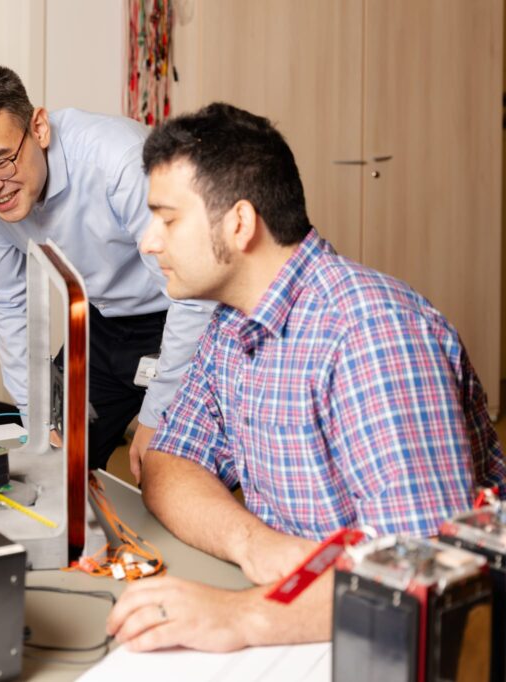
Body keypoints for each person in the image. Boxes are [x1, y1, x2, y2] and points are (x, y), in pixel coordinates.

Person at [105, 102, 506, 651]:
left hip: (430, 641)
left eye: (168, 219)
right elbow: (169, 461)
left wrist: (240, 618)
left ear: (240, 223)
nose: (148, 242)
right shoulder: (232, 321)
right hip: (320, 612)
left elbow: (425, 571)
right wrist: (254, 543)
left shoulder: (372, 334)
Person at [0, 65, 214, 471]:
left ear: (39, 128)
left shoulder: (120, 159)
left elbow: (194, 295)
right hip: (102, 321)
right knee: (53, 465)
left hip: (182, 314)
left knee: (165, 470)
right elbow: (7, 300)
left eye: (2, 161)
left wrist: (155, 415)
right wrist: (34, 410)